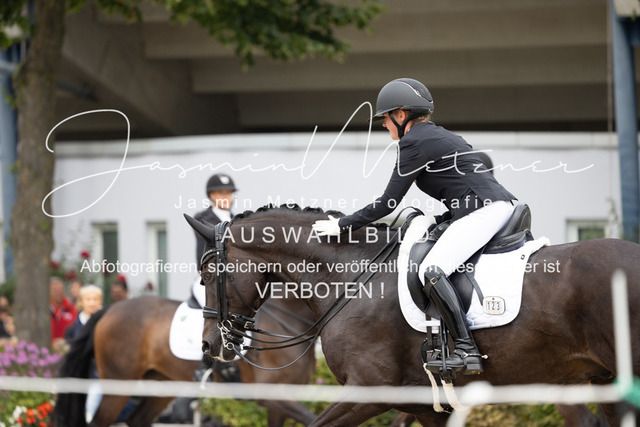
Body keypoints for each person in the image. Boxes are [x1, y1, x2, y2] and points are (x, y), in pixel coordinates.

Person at [312, 78, 517, 375]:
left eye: (385, 118)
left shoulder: (413, 143)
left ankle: (466, 348)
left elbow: (387, 203)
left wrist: (342, 225)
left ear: (400, 115)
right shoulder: (440, 135)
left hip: (484, 210)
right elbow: (462, 187)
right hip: (492, 206)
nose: (384, 125)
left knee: (431, 270)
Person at [193, 173, 236, 263]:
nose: (226, 197)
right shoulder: (202, 219)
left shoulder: (236, 220)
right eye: (221, 193)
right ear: (211, 195)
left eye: (228, 193)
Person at [50, 277, 77, 352]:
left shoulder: (72, 309)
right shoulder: (44, 310)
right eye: (55, 290)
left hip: (67, 351)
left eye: (61, 289)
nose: (58, 292)